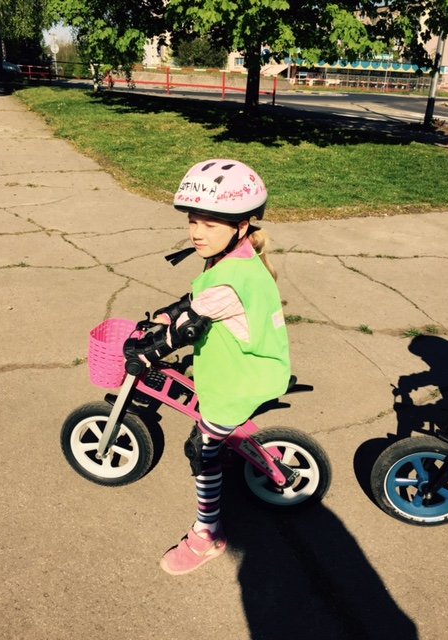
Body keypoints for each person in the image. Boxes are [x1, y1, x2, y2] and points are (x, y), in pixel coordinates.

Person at [124, 159, 291, 575]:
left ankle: (207, 536)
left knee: (201, 447)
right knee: (214, 433)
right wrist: (167, 313)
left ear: (241, 225)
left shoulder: (230, 279)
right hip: (253, 365)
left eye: (210, 224)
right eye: (193, 220)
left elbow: (189, 326)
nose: (197, 232)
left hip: (242, 379)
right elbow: (193, 305)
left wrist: (146, 352)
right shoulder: (236, 259)